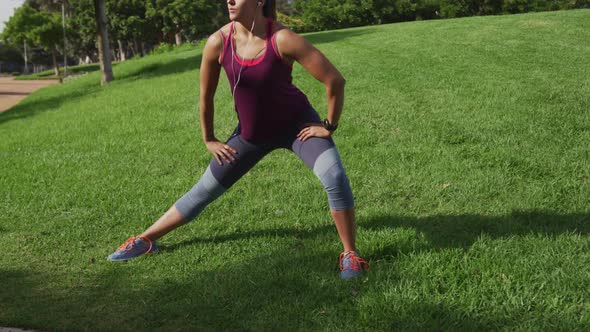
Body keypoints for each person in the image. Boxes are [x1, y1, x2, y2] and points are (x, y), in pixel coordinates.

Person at [107, 0, 369, 280]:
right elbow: (205, 98)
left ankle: (351, 255)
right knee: (203, 191)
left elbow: (335, 81)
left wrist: (328, 125)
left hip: (298, 127)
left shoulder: (281, 38)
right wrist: (209, 138)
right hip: (251, 135)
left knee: (334, 176)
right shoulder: (218, 42)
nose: (229, 0)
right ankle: (146, 240)